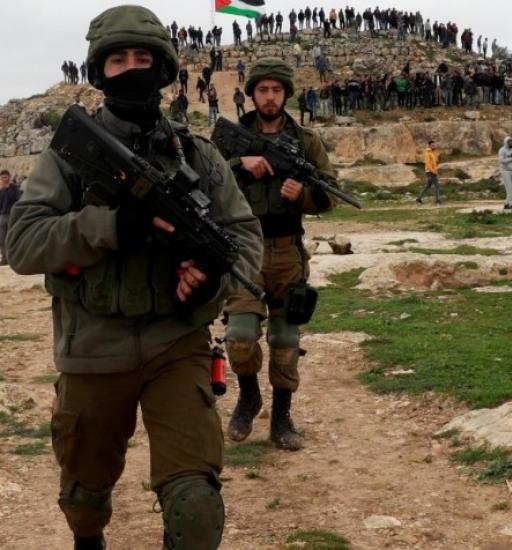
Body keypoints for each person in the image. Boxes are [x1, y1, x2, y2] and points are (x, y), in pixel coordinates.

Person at [7, 6, 263, 548]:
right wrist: (112, 226)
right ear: (99, 72)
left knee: (196, 509)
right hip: (93, 344)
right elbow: (23, 244)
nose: (131, 69)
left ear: (163, 68)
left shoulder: (198, 155)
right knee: (85, 499)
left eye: (142, 58)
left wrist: (213, 274)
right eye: (117, 60)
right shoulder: (70, 156)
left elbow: (243, 237)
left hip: (177, 341)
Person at [216, 57, 337, 453]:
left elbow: (329, 193)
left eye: (277, 90)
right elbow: (205, 181)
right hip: (243, 251)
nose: (270, 97)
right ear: (251, 94)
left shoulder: (306, 141)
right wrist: (240, 163)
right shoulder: (230, 138)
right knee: (240, 336)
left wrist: (302, 195)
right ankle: (249, 396)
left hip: (287, 252)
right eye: (263, 90)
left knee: (285, 340)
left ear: (286, 94)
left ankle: (282, 417)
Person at [0, 169, 22, 265]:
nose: (3, 179)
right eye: (2, 178)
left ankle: (14, 258)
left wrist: (7, 189)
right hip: (2, 216)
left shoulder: (14, 187)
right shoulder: (1, 189)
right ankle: (5, 259)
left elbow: (17, 199)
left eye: (5, 177)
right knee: (2, 239)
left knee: (12, 237)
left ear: (9, 177)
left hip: (12, 215)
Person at [416, 140, 440, 206]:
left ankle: (419, 199)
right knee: (436, 186)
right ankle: (437, 202)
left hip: (431, 171)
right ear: (429, 146)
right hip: (430, 172)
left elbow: (433, 163)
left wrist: (435, 169)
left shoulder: (432, 153)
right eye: (432, 145)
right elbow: (428, 164)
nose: (434, 146)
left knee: (428, 186)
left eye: (434, 145)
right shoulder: (427, 153)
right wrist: (433, 171)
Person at [498, 137, 512, 210]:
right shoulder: (502, 150)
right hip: (505, 171)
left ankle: (507, 203)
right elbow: (501, 160)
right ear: (506, 142)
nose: (511, 143)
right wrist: (511, 159)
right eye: (509, 142)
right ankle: (511, 204)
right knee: (509, 189)